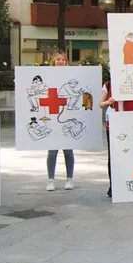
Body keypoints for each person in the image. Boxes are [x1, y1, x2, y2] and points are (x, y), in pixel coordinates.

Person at [100, 81, 133, 198]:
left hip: (130, 122)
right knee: (113, 155)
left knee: (132, 153)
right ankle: (113, 186)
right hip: (114, 123)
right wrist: (108, 102)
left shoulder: (132, 82)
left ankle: (129, 183)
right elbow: (101, 104)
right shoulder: (108, 84)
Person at [46, 50, 75, 191]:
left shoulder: (71, 77)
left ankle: (69, 178)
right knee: (52, 151)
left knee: (68, 150)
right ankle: (51, 179)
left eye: (63, 59)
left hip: (67, 116)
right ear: (53, 61)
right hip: (52, 116)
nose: (60, 61)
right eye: (58, 59)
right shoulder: (48, 76)